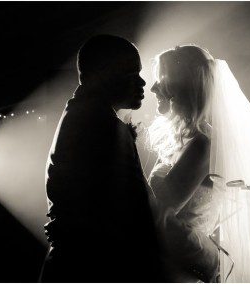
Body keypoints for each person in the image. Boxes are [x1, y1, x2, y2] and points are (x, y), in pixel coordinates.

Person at [40, 35, 165, 282]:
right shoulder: (103, 125)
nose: (142, 82)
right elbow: (137, 216)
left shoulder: (81, 113)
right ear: (103, 73)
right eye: (131, 72)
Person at [148, 45, 250, 282]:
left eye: (161, 79)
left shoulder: (203, 145)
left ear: (185, 86)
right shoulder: (181, 137)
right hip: (164, 258)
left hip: (179, 268)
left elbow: (160, 213)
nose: (153, 87)